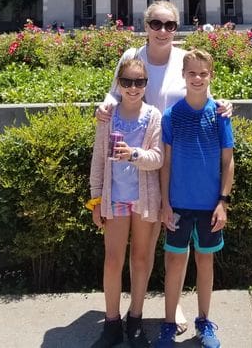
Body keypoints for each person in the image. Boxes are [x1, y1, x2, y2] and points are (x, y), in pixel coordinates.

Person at [97, 0, 233, 336]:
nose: (162, 31)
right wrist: (105, 104)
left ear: (177, 27)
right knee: (149, 243)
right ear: (145, 26)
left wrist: (224, 105)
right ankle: (137, 314)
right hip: (136, 162)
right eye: (156, 24)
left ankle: (172, 306)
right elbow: (116, 93)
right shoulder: (132, 56)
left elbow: (203, 94)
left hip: (172, 160)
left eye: (169, 25)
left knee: (170, 240)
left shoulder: (184, 60)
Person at [155, 49, 234, 348]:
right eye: (192, 73)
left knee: (205, 262)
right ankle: (167, 323)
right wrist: (165, 203)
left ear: (211, 76)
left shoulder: (220, 114)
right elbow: (166, 163)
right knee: (174, 263)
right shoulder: (171, 116)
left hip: (209, 205)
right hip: (178, 204)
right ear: (183, 76)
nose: (198, 78)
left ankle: (204, 321)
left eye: (203, 73)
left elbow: (228, 161)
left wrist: (222, 202)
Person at [89, 58, 163, 348]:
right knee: (112, 260)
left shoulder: (154, 116)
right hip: (115, 198)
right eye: (127, 82)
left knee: (141, 259)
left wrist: (133, 154)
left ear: (146, 85)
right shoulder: (108, 116)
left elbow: (158, 158)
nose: (133, 88)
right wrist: (96, 199)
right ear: (118, 84)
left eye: (139, 82)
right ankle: (111, 322)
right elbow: (97, 160)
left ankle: (135, 319)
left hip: (143, 200)